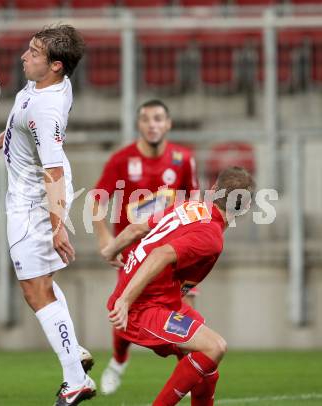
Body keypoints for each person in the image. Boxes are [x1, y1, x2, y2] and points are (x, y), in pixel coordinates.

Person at [0, 25, 96, 405]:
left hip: (34, 203)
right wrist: (10, 136)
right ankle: (75, 354)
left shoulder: (45, 109)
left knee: (34, 290)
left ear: (55, 65)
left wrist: (57, 227)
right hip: (33, 193)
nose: (24, 56)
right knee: (43, 282)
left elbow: (51, 172)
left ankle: (75, 379)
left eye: (33, 52)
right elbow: (33, 130)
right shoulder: (53, 87)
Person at [102, 166, 255, 405]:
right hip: (142, 308)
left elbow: (138, 228)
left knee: (207, 363)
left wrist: (111, 250)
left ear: (213, 189)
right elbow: (160, 254)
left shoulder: (190, 206)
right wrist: (125, 301)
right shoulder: (211, 237)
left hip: (161, 300)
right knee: (215, 347)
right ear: (244, 207)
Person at [91, 99, 200, 395]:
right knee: (124, 311)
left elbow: (194, 203)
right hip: (135, 253)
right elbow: (97, 199)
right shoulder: (122, 160)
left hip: (173, 251)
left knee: (184, 311)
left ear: (168, 124)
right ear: (139, 124)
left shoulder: (183, 158)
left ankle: (188, 369)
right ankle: (118, 361)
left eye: (158, 119)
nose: (152, 124)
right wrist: (106, 241)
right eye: (146, 119)